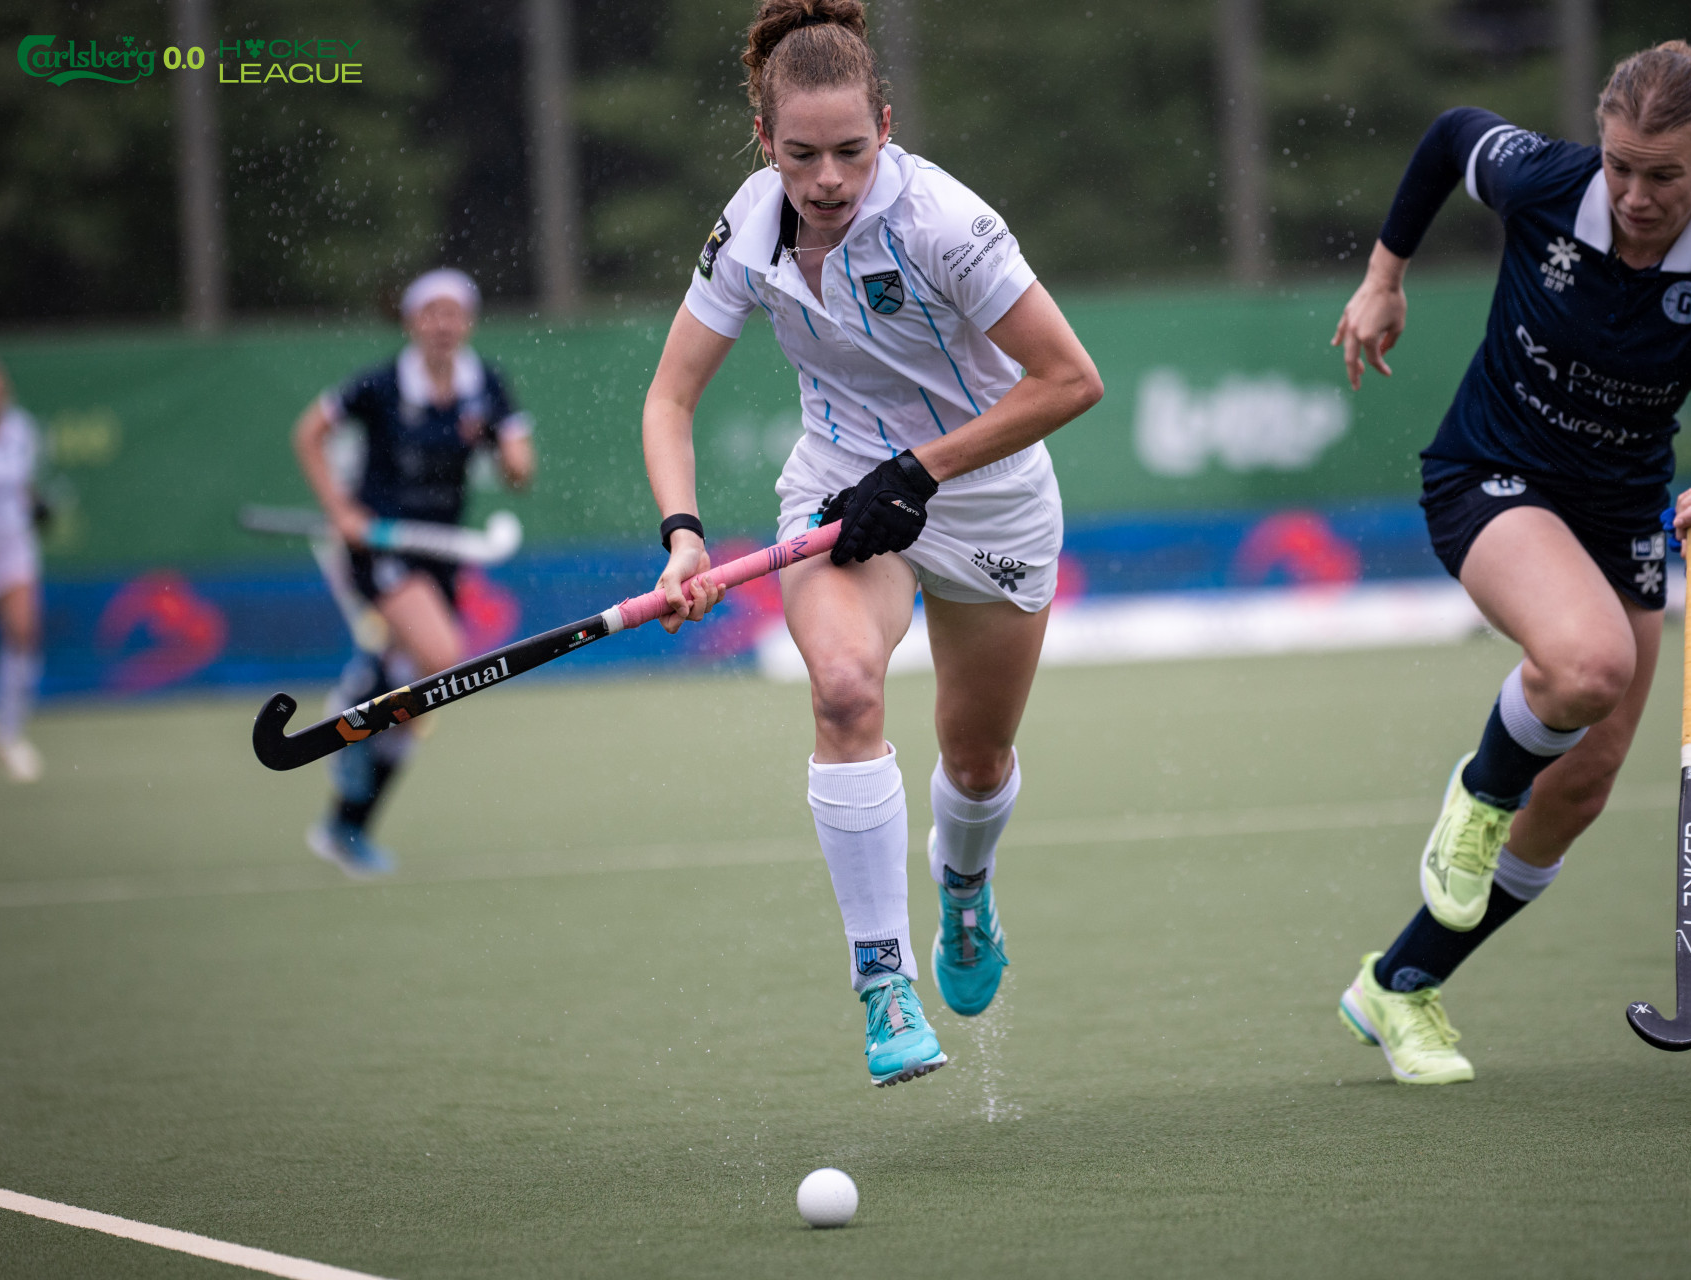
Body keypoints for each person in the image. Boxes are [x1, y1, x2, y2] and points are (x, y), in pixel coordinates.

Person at [1326, 42, 1691, 1084]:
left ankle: (1399, 983)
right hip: (1490, 475)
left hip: (1620, 514)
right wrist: (1384, 275)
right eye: (1620, 165)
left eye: (1663, 174)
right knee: (1588, 664)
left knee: (1582, 784)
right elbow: (1448, 136)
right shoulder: (1547, 180)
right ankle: (1479, 798)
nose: (1633, 196)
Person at [645, 0, 1102, 1086]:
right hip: (841, 491)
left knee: (976, 762)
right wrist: (683, 536)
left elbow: (1070, 380)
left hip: (989, 500)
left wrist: (923, 470)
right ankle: (883, 979)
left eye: (851, 150)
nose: (828, 180)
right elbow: (670, 399)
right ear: (765, 140)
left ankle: (964, 888)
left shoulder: (944, 224)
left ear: (886, 128)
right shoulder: (748, 228)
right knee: (845, 690)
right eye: (801, 154)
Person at [291, 269, 535, 874]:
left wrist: (501, 446)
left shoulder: (486, 385)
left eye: (454, 313)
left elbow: (520, 470)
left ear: (468, 322)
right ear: (412, 322)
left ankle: (346, 824)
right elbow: (308, 434)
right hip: (380, 544)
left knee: (416, 699)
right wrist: (342, 512)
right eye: (432, 313)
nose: (443, 324)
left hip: (440, 552)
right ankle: (353, 702)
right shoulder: (379, 384)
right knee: (440, 654)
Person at [0, 360, 46, 784]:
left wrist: (37, 505)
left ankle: (7, 737)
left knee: (24, 633)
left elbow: (24, 485)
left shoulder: (23, 430)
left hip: (11, 549)